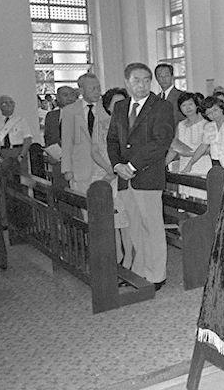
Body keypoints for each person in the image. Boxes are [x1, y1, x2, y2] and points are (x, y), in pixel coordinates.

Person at [107, 62, 175, 288]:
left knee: (152, 227)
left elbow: (161, 142)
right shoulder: (120, 107)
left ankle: (157, 275)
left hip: (147, 176)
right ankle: (139, 270)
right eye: (137, 80)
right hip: (125, 178)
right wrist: (117, 164)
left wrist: (132, 166)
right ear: (127, 82)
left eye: (147, 80)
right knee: (134, 226)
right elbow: (113, 140)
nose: (143, 85)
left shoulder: (161, 106)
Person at [91, 87, 132, 267]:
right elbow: (94, 151)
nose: (118, 107)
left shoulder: (131, 123)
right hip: (104, 174)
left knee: (125, 220)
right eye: (114, 103)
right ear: (107, 106)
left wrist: (116, 170)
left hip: (124, 175)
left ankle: (129, 258)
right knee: (110, 220)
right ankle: (116, 257)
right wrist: (109, 169)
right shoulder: (100, 123)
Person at [61, 73, 108, 193]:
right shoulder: (69, 111)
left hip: (104, 168)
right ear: (81, 90)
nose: (97, 91)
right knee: (85, 207)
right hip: (80, 169)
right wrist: (67, 169)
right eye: (92, 88)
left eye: (98, 87)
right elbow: (67, 143)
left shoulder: (106, 108)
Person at [167, 93, 210, 199]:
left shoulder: (207, 123)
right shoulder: (180, 125)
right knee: (187, 203)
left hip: (202, 165)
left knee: (202, 202)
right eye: (183, 105)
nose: (187, 108)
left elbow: (210, 149)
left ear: (196, 105)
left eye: (190, 104)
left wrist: (190, 154)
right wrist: (163, 164)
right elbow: (174, 148)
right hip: (184, 166)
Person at [186, 95, 224, 169]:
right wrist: (190, 163)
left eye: (215, 110)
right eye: (209, 113)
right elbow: (203, 146)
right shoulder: (209, 126)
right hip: (216, 162)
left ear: (222, 108)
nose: (213, 114)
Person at [0, 95, 34, 165]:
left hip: (19, 152)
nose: (9, 105)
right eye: (5, 103)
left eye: (11, 102)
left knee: (21, 175)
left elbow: (28, 139)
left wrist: (22, 155)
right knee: (4, 175)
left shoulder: (21, 120)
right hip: (2, 153)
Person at [43, 85, 77, 162]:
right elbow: (48, 138)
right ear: (58, 98)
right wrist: (50, 154)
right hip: (57, 161)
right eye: (65, 95)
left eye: (72, 95)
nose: (69, 98)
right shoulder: (51, 116)